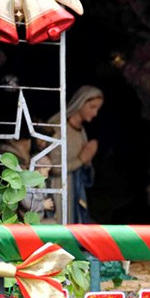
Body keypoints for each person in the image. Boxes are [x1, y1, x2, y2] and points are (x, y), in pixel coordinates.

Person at [47, 85, 103, 224]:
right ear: (80, 103)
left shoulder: (81, 131)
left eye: (98, 108)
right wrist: (81, 159)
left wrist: (87, 160)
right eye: (92, 107)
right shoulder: (58, 127)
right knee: (62, 223)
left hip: (75, 187)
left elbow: (84, 165)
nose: (95, 113)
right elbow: (53, 167)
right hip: (58, 186)